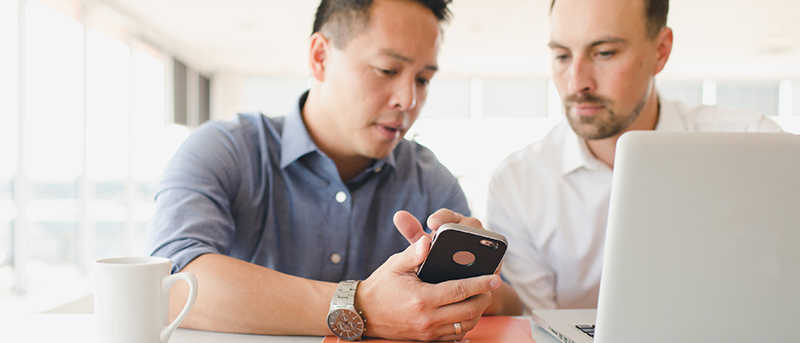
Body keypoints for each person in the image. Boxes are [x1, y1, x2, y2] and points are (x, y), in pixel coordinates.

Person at [145, 0, 520, 341]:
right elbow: (169, 283)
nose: (408, 100)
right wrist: (362, 306)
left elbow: (508, 304)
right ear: (320, 57)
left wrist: (473, 286)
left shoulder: (431, 178)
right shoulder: (224, 149)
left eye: (423, 79)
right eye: (387, 69)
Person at [486, 0, 783, 313]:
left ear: (661, 51)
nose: (576, 83)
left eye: (604, 53)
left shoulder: (753, 143)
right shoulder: (518, 183)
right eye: (562, 55)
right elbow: (538, 328)